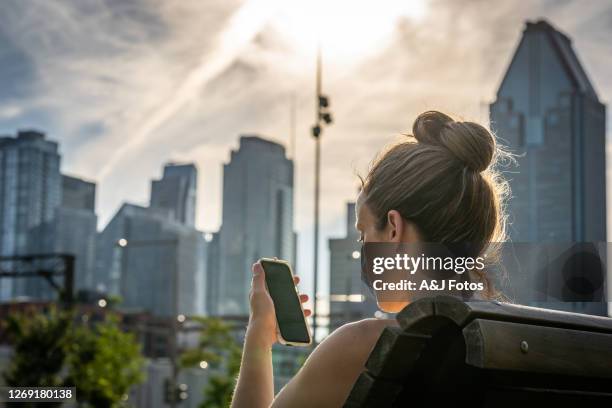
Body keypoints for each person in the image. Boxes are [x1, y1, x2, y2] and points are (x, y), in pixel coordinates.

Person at [230, 111, 510, 408]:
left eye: (363, 235)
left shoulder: (363, 346)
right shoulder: (516, 341)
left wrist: (259, 337)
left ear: (393, 230)